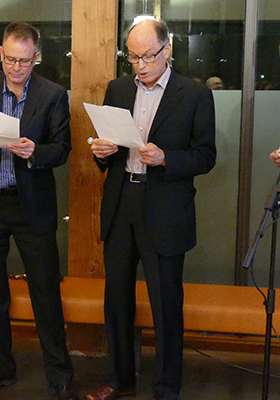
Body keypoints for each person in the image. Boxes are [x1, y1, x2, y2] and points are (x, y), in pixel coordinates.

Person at [85, 19, 216, 400]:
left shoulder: (192, 95)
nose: (140, 65)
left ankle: (165, 387)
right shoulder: (118, 89)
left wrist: (165, 159)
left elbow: (205, 156)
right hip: (122, 200)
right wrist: (102, 152)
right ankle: (120, 378)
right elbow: (107, 150)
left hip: (165, 208)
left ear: (168, 49)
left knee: (165, 303)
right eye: (132, 57)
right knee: (118, 299)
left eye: (147, 56)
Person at [0, 22, 78, 400]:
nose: (16, 67)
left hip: (32, 206)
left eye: (24, 61)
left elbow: (62, 148)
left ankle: (59, 374)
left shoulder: (53, 94)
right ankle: (0, 367)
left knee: (45, 292)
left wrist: (35, 152)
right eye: (10, 59)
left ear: (36, 58)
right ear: (1, 54)